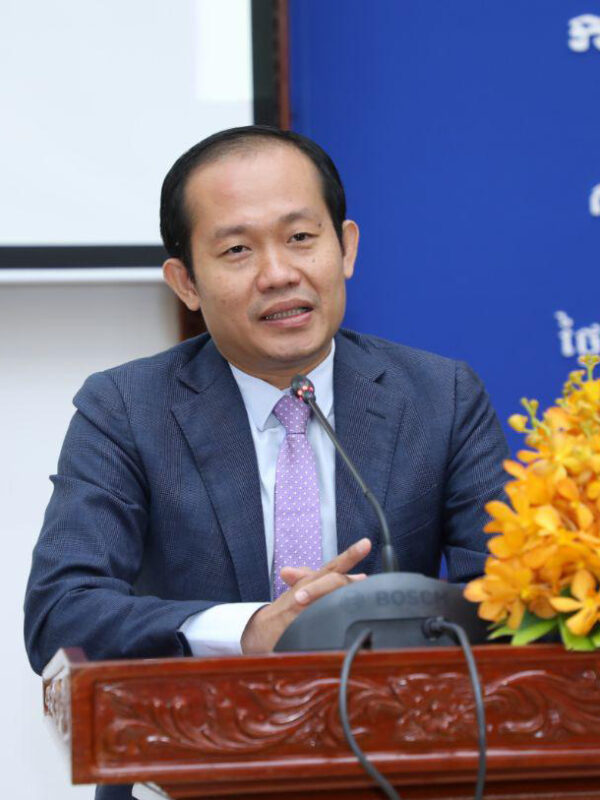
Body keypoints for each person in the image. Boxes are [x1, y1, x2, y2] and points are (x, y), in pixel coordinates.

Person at [25, 124, 508, 730]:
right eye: (237, 250)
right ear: (186, 283)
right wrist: (248, 631)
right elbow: (61, 614)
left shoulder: (440, 397)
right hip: (197, 751)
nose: (278, 273)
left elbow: (511, 596)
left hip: (399, 743)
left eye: (300, 238)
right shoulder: (126, 409)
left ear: (346, 248)